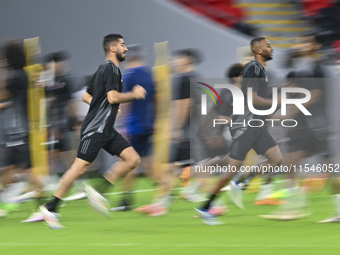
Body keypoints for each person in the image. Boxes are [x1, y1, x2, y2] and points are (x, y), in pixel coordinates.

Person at [39, 33, 146, 229]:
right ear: (113, 48)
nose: (126, 48)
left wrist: (107, 105)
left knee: (133, 159)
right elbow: (113, 97)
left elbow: (87, 97)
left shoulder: (102, 69)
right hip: (96, 128)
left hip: (106, 128)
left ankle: (99, 192)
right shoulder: (111, 70)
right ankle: (51, 208)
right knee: (79, 168)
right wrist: (134, 95)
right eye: (123, 45)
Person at [196, 37, 283, 225]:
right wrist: (275, 102)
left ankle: (242, 182)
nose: (272, 48)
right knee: (230, 170)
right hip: (246, 126)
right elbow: (252, 99)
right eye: (268, 46)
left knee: (276, 159)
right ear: (259, 50)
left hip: (256, 126)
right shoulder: (253, 68)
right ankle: (205, 207)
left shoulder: (261, 71)